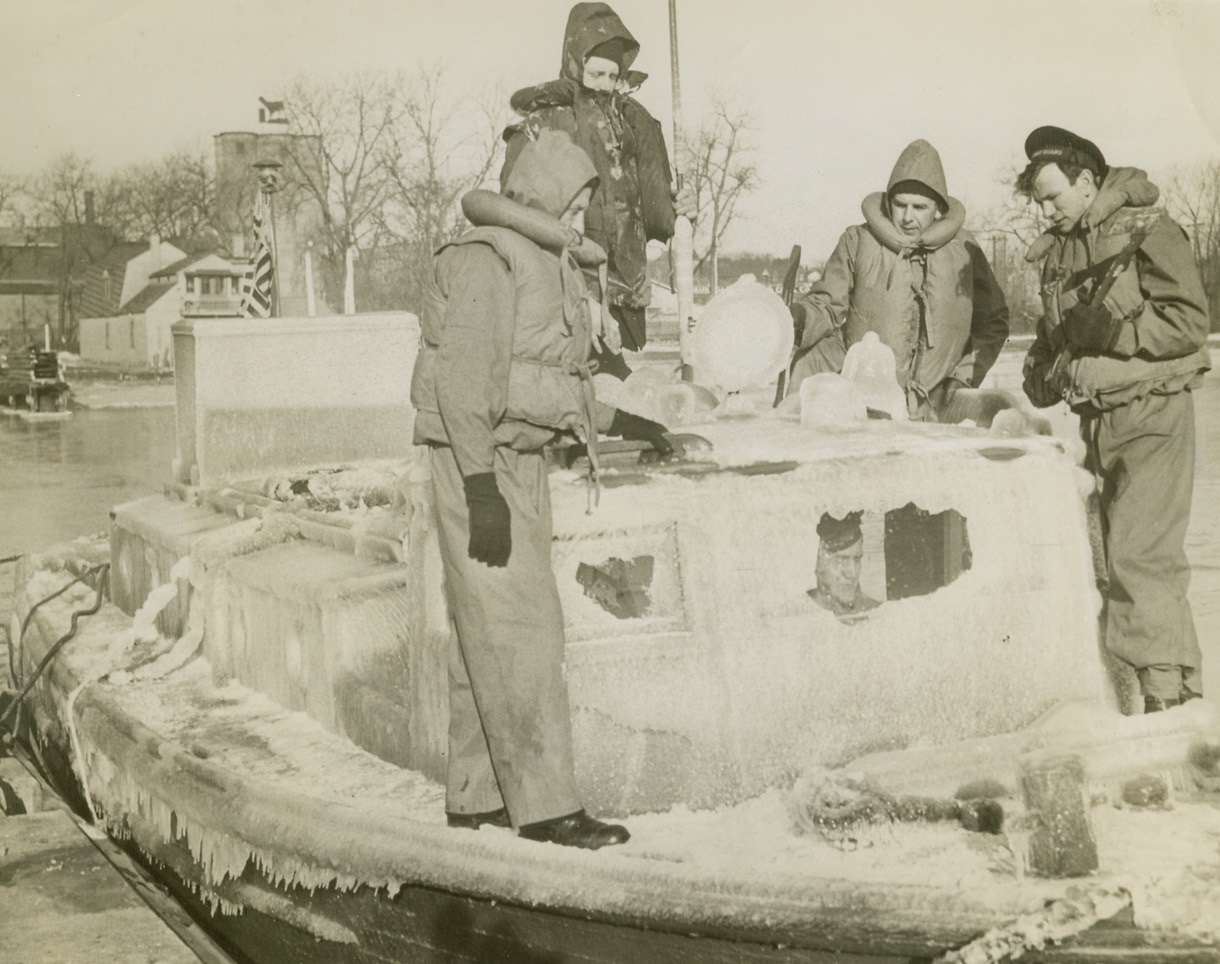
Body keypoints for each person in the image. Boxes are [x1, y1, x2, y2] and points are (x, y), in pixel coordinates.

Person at [410, 129, 673, 847]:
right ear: (549, 190)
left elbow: (548, 377)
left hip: (514, 460)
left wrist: (629, 421)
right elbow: (466, 382)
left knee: (487, 635)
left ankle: (478, 794)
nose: (589, 209)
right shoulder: (488, 260)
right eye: (582, 195)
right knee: (524, 633)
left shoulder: (544, 260)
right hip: (480, 464)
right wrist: (478, 486)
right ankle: (548, 809)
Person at [1016, 126, 1211, 713]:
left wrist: (1115, 334)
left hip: (1153, 413)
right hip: (1099, 422)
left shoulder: (1150, 230)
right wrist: (1047, 369)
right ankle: (1166, 695)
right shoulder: (1060, 252)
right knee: (1117, 560)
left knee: (1139, 558)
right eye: (1039, 202)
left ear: (1086, 181)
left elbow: (1188, 323)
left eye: (1052, 197)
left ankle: (1165, 705)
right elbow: (1055, 346)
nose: (1045, 211)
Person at [502, 2, 696, 381]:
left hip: (623, 283)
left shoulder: (633, 123)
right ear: (575, 63)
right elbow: (516, 204)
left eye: (613, 74)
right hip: (566, 280)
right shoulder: (545, 120)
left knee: (608, 385)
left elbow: (657, 213)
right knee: (584, 381)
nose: (605, 84)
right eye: (595, 73)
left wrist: (681, 210)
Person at [787, 140, 1010, 422]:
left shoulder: (965, 250)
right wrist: (798, 320)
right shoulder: (858, 241)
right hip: (865, 401)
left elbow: (994, 322)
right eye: (899, 204)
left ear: (938, 208)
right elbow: (826, 304)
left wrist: (961, 378)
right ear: (887, 202)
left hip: (935, 407)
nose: (907, 217)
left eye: (919, 207)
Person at [807, 512, 880, 622]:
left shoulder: (877, 613)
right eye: (841, 560)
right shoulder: (796, 617)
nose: (852, 572)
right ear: (819, 562)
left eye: (856, 559)